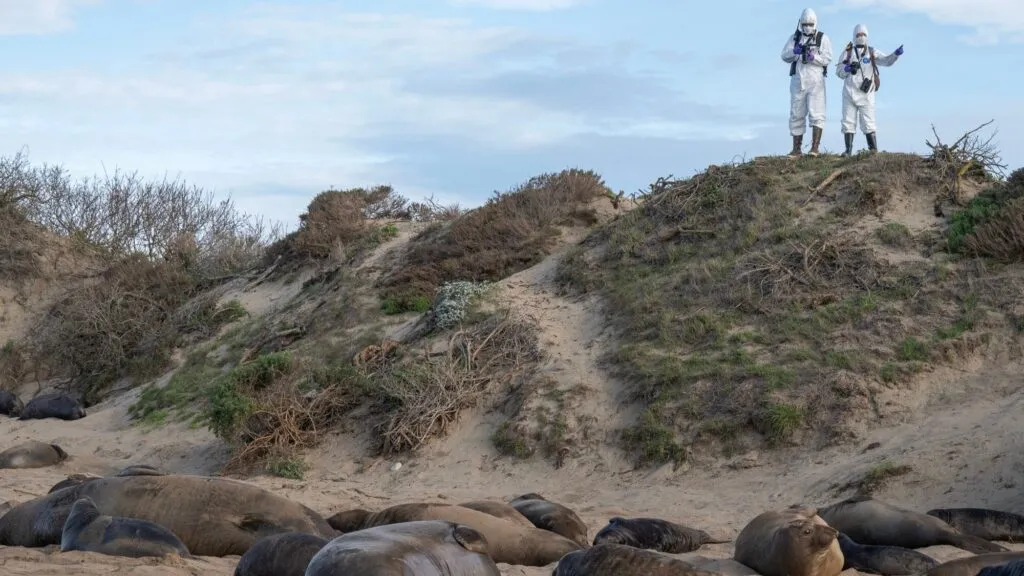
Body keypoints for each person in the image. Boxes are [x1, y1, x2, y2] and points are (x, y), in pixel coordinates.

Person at [836, 24, 903, 155]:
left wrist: (895, 55)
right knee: (848, 121)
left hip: (866, 93)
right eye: (858, 35)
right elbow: (838, 72)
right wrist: (847, 69)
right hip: (849, 92)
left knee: (869, 122)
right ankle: (848, 150)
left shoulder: (872, 52)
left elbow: (886, 61)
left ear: (867, 36)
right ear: (854, 36)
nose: (861, 37)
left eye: (863, 35)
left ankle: (873, 150)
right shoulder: (847, 52)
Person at [781, 8, 832, 158]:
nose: (807, 26)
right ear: (800, 23)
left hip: (815, 80)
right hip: (798, 79)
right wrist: (795, 52)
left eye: (810, 24)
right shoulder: (794, 38)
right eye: (805, 24)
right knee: (796, 112)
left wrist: (813, 57)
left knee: (817, 112)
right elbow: (784, 55)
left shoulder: (822, 38)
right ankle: (796, 149)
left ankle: (814, 147)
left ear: (815, 23)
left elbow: (828, 58)